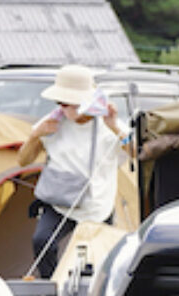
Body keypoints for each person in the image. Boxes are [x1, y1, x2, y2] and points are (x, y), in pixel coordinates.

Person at [16, 65, 127, 279]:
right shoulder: (52, 122)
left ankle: (94, 294)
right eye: (60, 103)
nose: (63, 108)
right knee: (41, 241)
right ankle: (53, 286)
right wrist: (35, 135)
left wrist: (115, 127)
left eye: (68, 103)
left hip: (97, 205)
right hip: (59, 200)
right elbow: (23, 160)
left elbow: (137, 151)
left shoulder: (107, 124)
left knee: (99, 258)